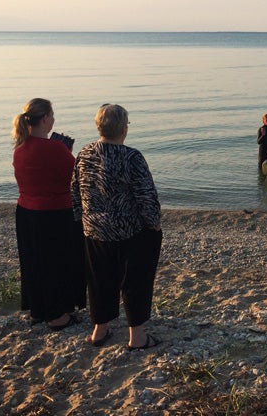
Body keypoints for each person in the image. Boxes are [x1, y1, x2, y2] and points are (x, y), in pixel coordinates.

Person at [72, 104, 163, 350]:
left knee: (99, 279)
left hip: (94, 229)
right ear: (123, 129)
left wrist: (83, 219)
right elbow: (146, 197)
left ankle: (99, 331)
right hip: (129, 231)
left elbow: (75, 191)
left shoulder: (85, 153)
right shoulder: (132, 157)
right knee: (137, 280)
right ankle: (138, 336)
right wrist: (154, 224)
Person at [12, 98, 86, 331]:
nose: (53, 119)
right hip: (55, 213)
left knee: (34, 262)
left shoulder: (20, 148)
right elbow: (76, 177)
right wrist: (66, 152)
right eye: (52, 115)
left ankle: (38, 309)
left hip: (26, 212)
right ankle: (56, 314)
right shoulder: (54, 148)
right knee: (58, 263)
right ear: (45, 119)